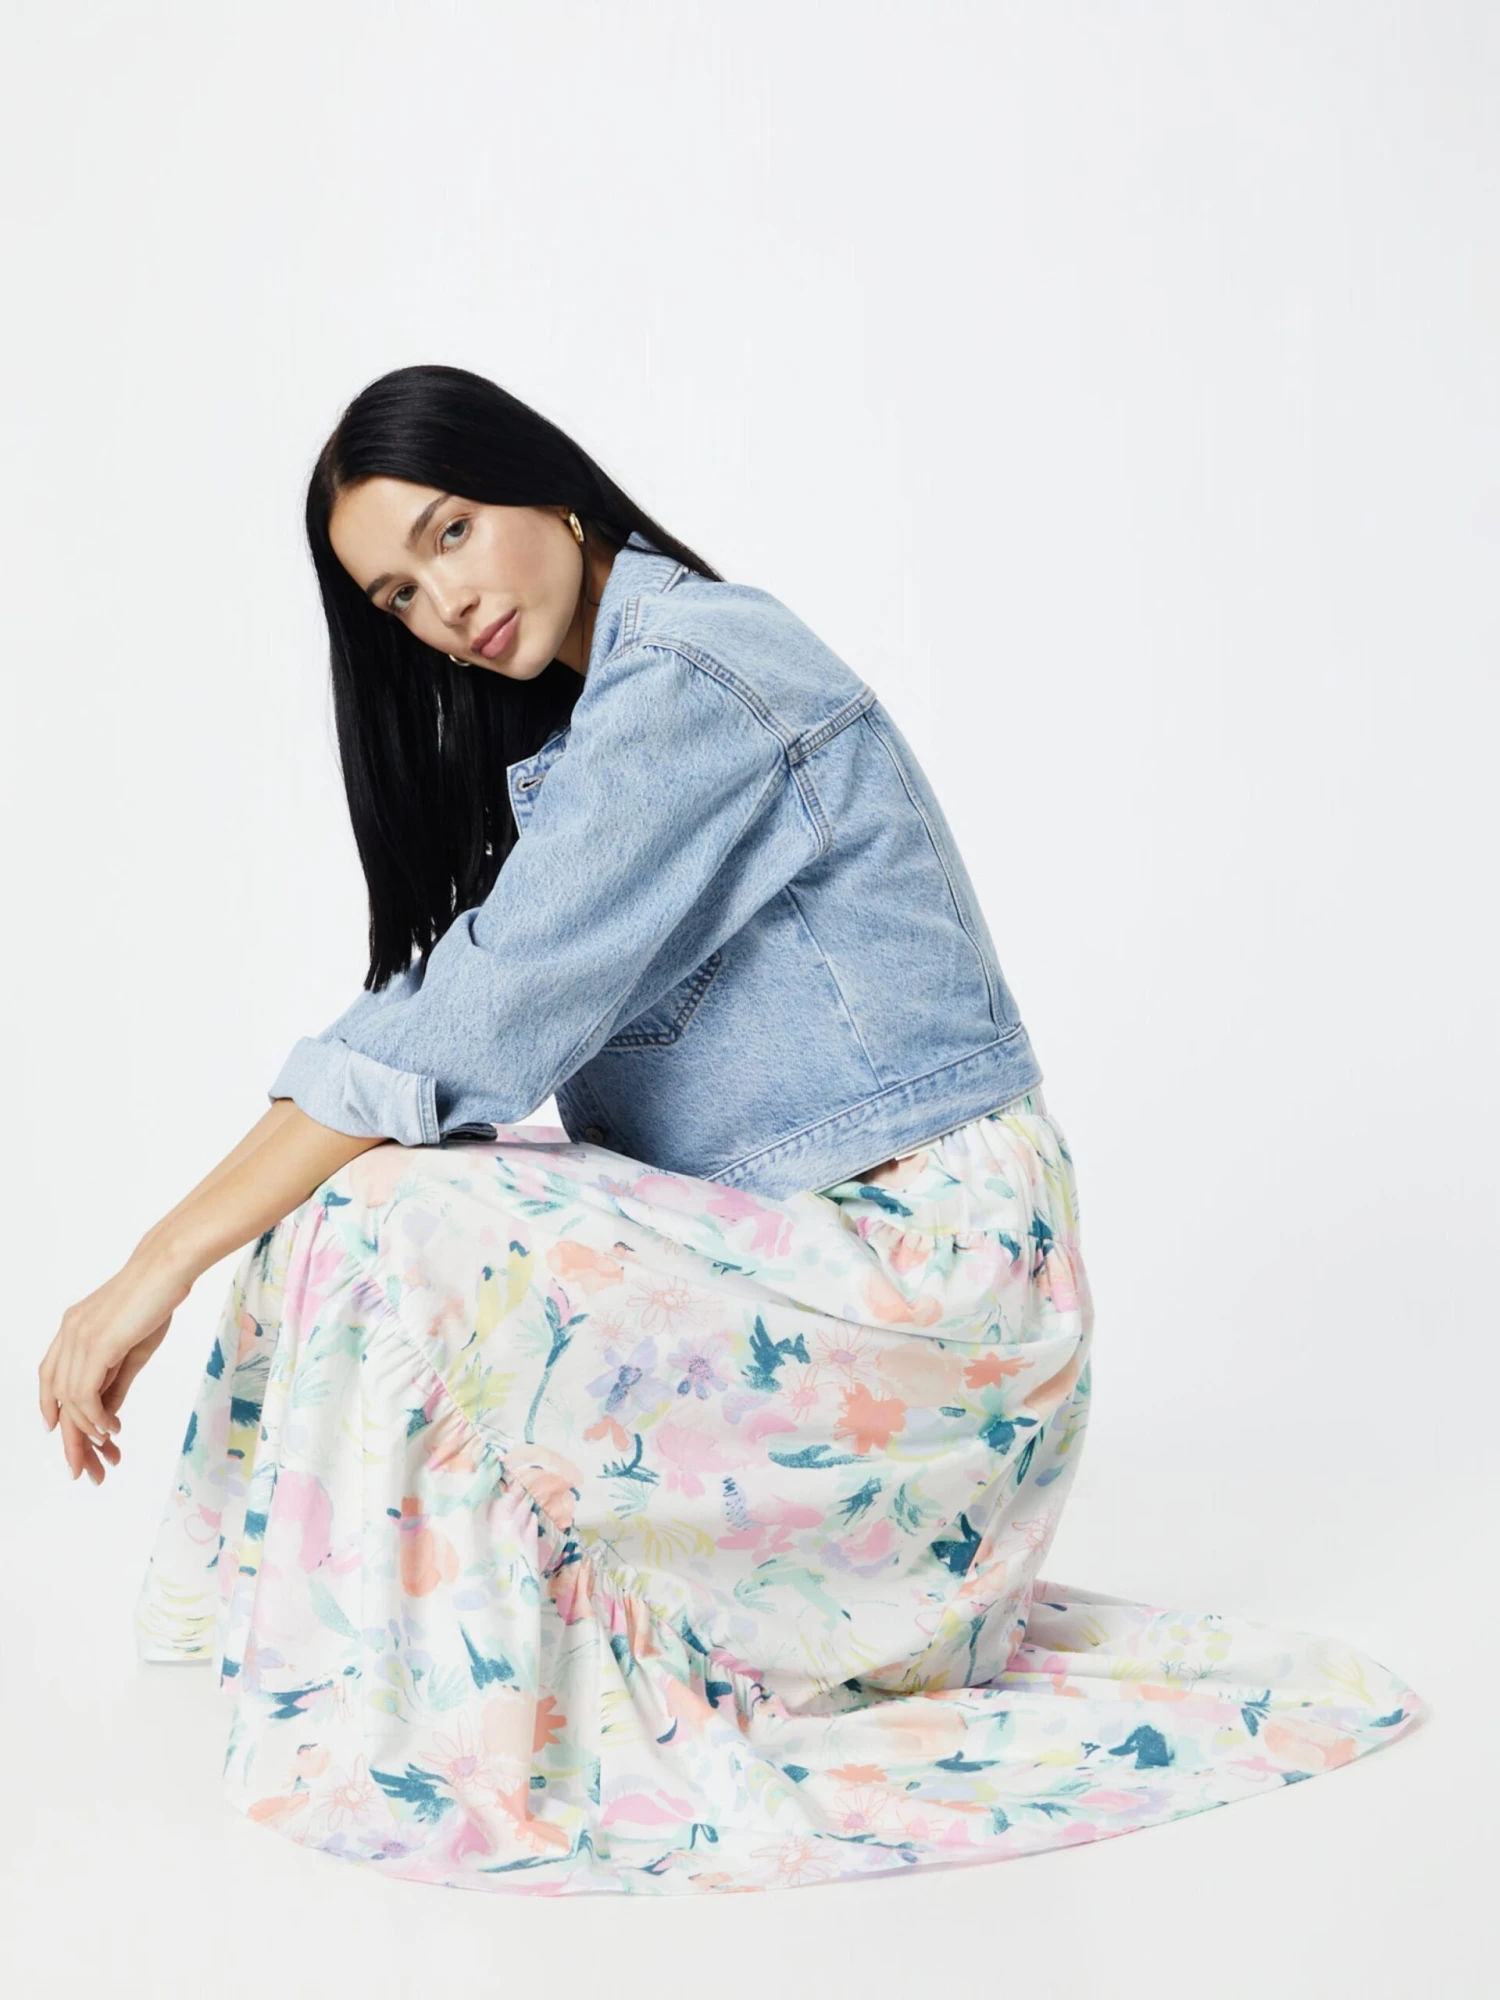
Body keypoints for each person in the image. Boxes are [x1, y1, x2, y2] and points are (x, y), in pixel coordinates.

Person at [38, 365, 1425, 1897]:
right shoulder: (596, 719)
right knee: (356, 1195)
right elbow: (434, 1035)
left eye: (451, 531)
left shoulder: (700, 675)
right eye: (398, 594)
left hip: (933, 1290)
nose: (443, 603)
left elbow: (462, 1030)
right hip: (808, 1262)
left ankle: (433, 1684)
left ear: (549, 489)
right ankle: (359, 1662)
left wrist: (155, 1261)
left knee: (383, 1212)